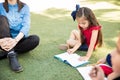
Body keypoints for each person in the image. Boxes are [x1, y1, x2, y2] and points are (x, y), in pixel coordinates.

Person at [0, 0, 40, 72]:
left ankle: (7, 52)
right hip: (3, 40)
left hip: (18, 39)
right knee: (2, 19)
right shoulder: (0, 6)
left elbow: (26, 26)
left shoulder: (25, 7)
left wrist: (15, 40)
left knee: (35, 39)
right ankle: (11, 55)